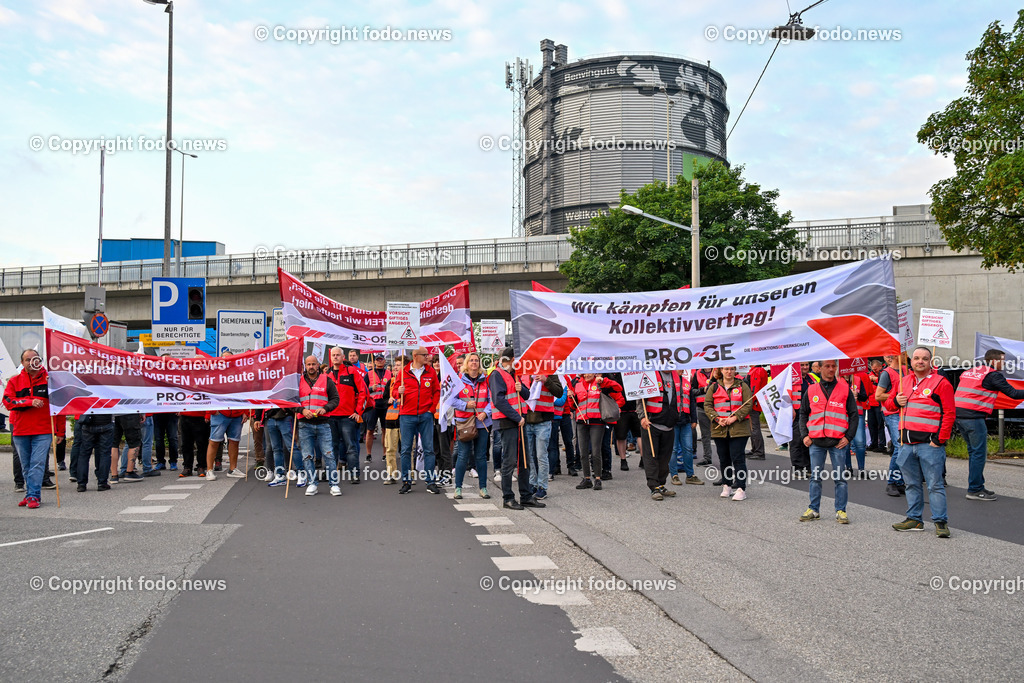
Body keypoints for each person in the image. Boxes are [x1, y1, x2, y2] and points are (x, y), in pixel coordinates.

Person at [887, 347, 955, 538]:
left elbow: (949, 413)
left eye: (924, 358)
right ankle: (914, 519)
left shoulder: (941, 382)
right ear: (911, 361)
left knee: (935, 485)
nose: (920, 361)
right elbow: (889, 405)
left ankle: (940, 522)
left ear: (930, 361)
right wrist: (896, 400)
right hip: (907, 445)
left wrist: (939, 440)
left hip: (929, 445)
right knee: (911, 484)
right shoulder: (904, 381)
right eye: (916, 358)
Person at [954, 348, 1024, 501]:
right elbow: (1013, 394)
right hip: (973, 417)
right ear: (993, 361)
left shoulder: (971, 371)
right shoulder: (993, 375)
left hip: (958, 416)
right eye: (1002, 360)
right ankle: (974, 490)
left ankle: (978, 485)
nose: (1004, 364)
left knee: (974, 452)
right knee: (978, 453)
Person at [798, 360, 859, 523]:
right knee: (815, 477)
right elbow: (803, 413)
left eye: (834, 366)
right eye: (827, 366)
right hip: (816, 441)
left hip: (838, 442)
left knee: (840, 478)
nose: (831, 369)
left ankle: (841, 510)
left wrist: (848, 437)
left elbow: (854, 414)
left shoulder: (844, 389)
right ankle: (814, 509)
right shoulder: (812, 390)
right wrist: (805, 435)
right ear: (820, 368)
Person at [3, 350, 62, 508]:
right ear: (22, 363)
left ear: (39, 360)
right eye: (27, 360)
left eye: (33, 359)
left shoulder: (50, 381)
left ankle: (33, 496)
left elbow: (60, 407)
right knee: (26, 466)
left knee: (37, 463)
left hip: (42, 431)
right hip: (21, 430)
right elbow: (8, 402)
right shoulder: (14, 381)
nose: (30, 362)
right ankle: (31, 494)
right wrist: (30, 402)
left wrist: (60, 431)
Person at [489, 347, 544, 509]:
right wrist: (516, 417)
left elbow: (527, 396)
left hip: (519, 421)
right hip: (508, 422)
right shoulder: (496, 375)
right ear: (511, 359)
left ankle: (526, 495)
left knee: (524, 460)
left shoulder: (515, 373)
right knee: (510, 460)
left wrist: (523, 389)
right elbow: (499, 401)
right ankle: (508, 498)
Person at [392, 346, 441, 495]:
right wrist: (397, 392)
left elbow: (437, 391)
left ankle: (430, 481)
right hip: (407, 415)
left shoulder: (430, 371)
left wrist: (431, 410)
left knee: (429, 449)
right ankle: (406, 482)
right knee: (406, 449)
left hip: (425, 415)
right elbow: (394, 392)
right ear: (415, 356)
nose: (428, 357)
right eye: (425, 355)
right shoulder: (403, 372)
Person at [296, 354, 342, 497]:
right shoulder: (298, 381)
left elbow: (335, 399)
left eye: (313, 364)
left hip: (323, 423)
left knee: (329, 454)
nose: (311, 367)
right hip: (304, 423)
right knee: (307, 456)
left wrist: (326, 408)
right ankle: (312, 483)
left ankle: (334, 484)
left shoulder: (327, 380)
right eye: (308, 364)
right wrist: (302, 410)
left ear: (318, 365)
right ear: (305, 365)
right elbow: (292, 401)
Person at [705, 366, 752, 501]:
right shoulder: (714, 386)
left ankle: (741, 488)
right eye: (726, 369)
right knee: (723, 458)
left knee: (738, 458)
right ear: (721, 371)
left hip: (739, 429)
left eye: (731, 369)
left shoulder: (743, 385)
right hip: (720, 428)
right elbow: (707, 405)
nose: (729, 372)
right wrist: (717, 418)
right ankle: (727, 484)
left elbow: (748, 404)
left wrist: (734, 417)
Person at [573, 373, 624, 491]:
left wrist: (604, 381)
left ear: (595, 373)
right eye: (585, 372)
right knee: (583, 452)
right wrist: (571, 398)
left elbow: (618, 388)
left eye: (589, 372)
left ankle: (597, 479)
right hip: (581, 421)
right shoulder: (577, 384)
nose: (587, 375)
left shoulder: (601, 383)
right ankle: (586, 479)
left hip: (597, 422)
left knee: (596, 452)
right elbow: (573, 405)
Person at [327, 346, 369, 484]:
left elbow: (363, 392)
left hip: (347, 417)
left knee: (350, 446)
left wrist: (358, 412)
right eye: (333, 355)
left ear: (343, 357)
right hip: (331, 417)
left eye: (338, 355)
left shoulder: (352, 372)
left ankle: (354, 474)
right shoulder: (327, 374)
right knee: (332, 447)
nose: (335, 357)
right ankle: (332, 475)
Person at [452, 352, 491, 499]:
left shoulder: (486, 380)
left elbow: (491, 400)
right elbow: (451, 400)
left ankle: (483, 488)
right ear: (467, 364)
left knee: (481, 456)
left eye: (476, 360)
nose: (474, 363)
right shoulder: (459, 381)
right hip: (465, 423)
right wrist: (465, 404)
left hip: (482, 423)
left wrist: (486, 413)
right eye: (471, 360)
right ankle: (458, 488)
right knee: (463, 455)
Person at [640, 370, 683, 500]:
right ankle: (654, 487)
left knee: (665, 457)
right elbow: (640, 397)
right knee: (651, 456)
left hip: (669, 424)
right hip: (652, 423)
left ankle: (661, 484)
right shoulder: (650, 374)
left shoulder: (677, 376)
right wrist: (642, 417)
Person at [521, 371, 564, 499]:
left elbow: (559, 393)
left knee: (541, 455)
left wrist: (547, 380)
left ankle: (542, 487)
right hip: (527, 420)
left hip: (543, 421)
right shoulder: (523, 372)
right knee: (530, 456)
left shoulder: (550, 372)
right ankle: (532, 483)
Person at [875, 353, 907, 496]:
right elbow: (878, 396)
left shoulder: (907, 371)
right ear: (897, 356)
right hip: (891, 413)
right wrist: (896, 397)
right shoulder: (886, 374)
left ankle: (899, 482)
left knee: (902, 446)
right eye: (904, 353)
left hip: (904, 413)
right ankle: (892, 482)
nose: (908, 356)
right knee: (900, 445)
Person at [669, 370, 702, 486]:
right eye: (678, 367)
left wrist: (694, 419)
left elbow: (692, 402)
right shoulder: (668, 381)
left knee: (688, 449)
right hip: (672, 421)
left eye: (682, 368)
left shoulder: (687, 382)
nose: (681, 370)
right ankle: (674, 475)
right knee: (673, 449)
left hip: (686, 420)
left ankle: (690, 475)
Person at [75, 413, 114, 492]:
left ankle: (81, 484)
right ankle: (102, 483)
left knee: (84, 454)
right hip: (105, 422)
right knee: (105, 453)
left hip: (88, 422)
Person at [788, 362, 813, 477]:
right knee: (796, 441)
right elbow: (785, 395)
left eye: (806, 365)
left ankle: (808, 466)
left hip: (809, 414)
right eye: (802, 365)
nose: (805, 367)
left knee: (808, 440)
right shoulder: (791, 379)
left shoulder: (811, 378)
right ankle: (798, 467)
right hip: (796, 413)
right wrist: (790, 408)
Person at [364, 353, 390, 462]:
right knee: (370, 431)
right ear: (374, 361)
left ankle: (385, 454)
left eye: (381, 359)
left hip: (385, 405)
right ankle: (368, 454)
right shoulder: (368, 374)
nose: (379, 361)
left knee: (385, 430)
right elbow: (363, 390)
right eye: (377, 360)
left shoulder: (389, 373)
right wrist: (370, 389)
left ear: (384, 361)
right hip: (373, 405)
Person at [612, 375, 641, 471]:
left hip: (635, 408)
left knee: (640, 435)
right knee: (621, 436)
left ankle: (643, 459)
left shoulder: (634, 371)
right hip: (621, 409)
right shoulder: (615, 373)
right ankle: (623, 460)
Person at [261, 406, 295, 486]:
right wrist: (257, 418)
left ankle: (289, 470)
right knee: (271, 447)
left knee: (287, 446)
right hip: (269, 417)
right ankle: (272, 471)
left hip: (285, 415)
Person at [382, 357, 403, 483]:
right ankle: (391, 475)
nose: (395, 367)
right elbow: (382, 400)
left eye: (399, 365)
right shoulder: (390, 382)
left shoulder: (409, 382)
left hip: (405, 419)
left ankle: (409, 476)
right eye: (395, 365)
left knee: (407, 449)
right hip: (390, 419)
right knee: (390, 449)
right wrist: (387, 401)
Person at [848, 365, 871, 476]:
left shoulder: (857, 379)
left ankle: (861, 469)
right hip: (842, 415)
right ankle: (848, 468)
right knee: (845, 443)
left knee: (860, 443)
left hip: (858, 414)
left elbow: (864, 396)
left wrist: (858, 395)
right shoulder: (837, 380)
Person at [746, 365, 769, 460]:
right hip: (755, 402)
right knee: (753, 427)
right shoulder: (757, 370)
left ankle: (759, 452)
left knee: (754, 428)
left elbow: (754, 389)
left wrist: (749, 402)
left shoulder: (757, 371)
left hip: (754, 403)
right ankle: (755, 449)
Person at [691, 368, 713, 466]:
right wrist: (702, 390)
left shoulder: (717, 372)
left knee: (720, 434)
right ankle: (707, 457)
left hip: (716, 408)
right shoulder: (697, 373)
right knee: (705, 434)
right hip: (702, 408)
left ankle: (725, 457)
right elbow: (692, 391)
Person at [178, 410, 210, 477]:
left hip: (201, 416)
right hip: (185, 415)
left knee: (202, 443)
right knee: (186, 444)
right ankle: (187, 467)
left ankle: (201, 466)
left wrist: (208, 414)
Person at [865, 358, 886, 452]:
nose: (874, 370)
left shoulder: (884, 374)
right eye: (873, 369)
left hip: (879, 403)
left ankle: (882, 444)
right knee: (871, 425)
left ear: (880, 367)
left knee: (880, 425)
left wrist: (876, 379)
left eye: (876, 369)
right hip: (870, 403)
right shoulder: (869, 376)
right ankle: (873, 443)